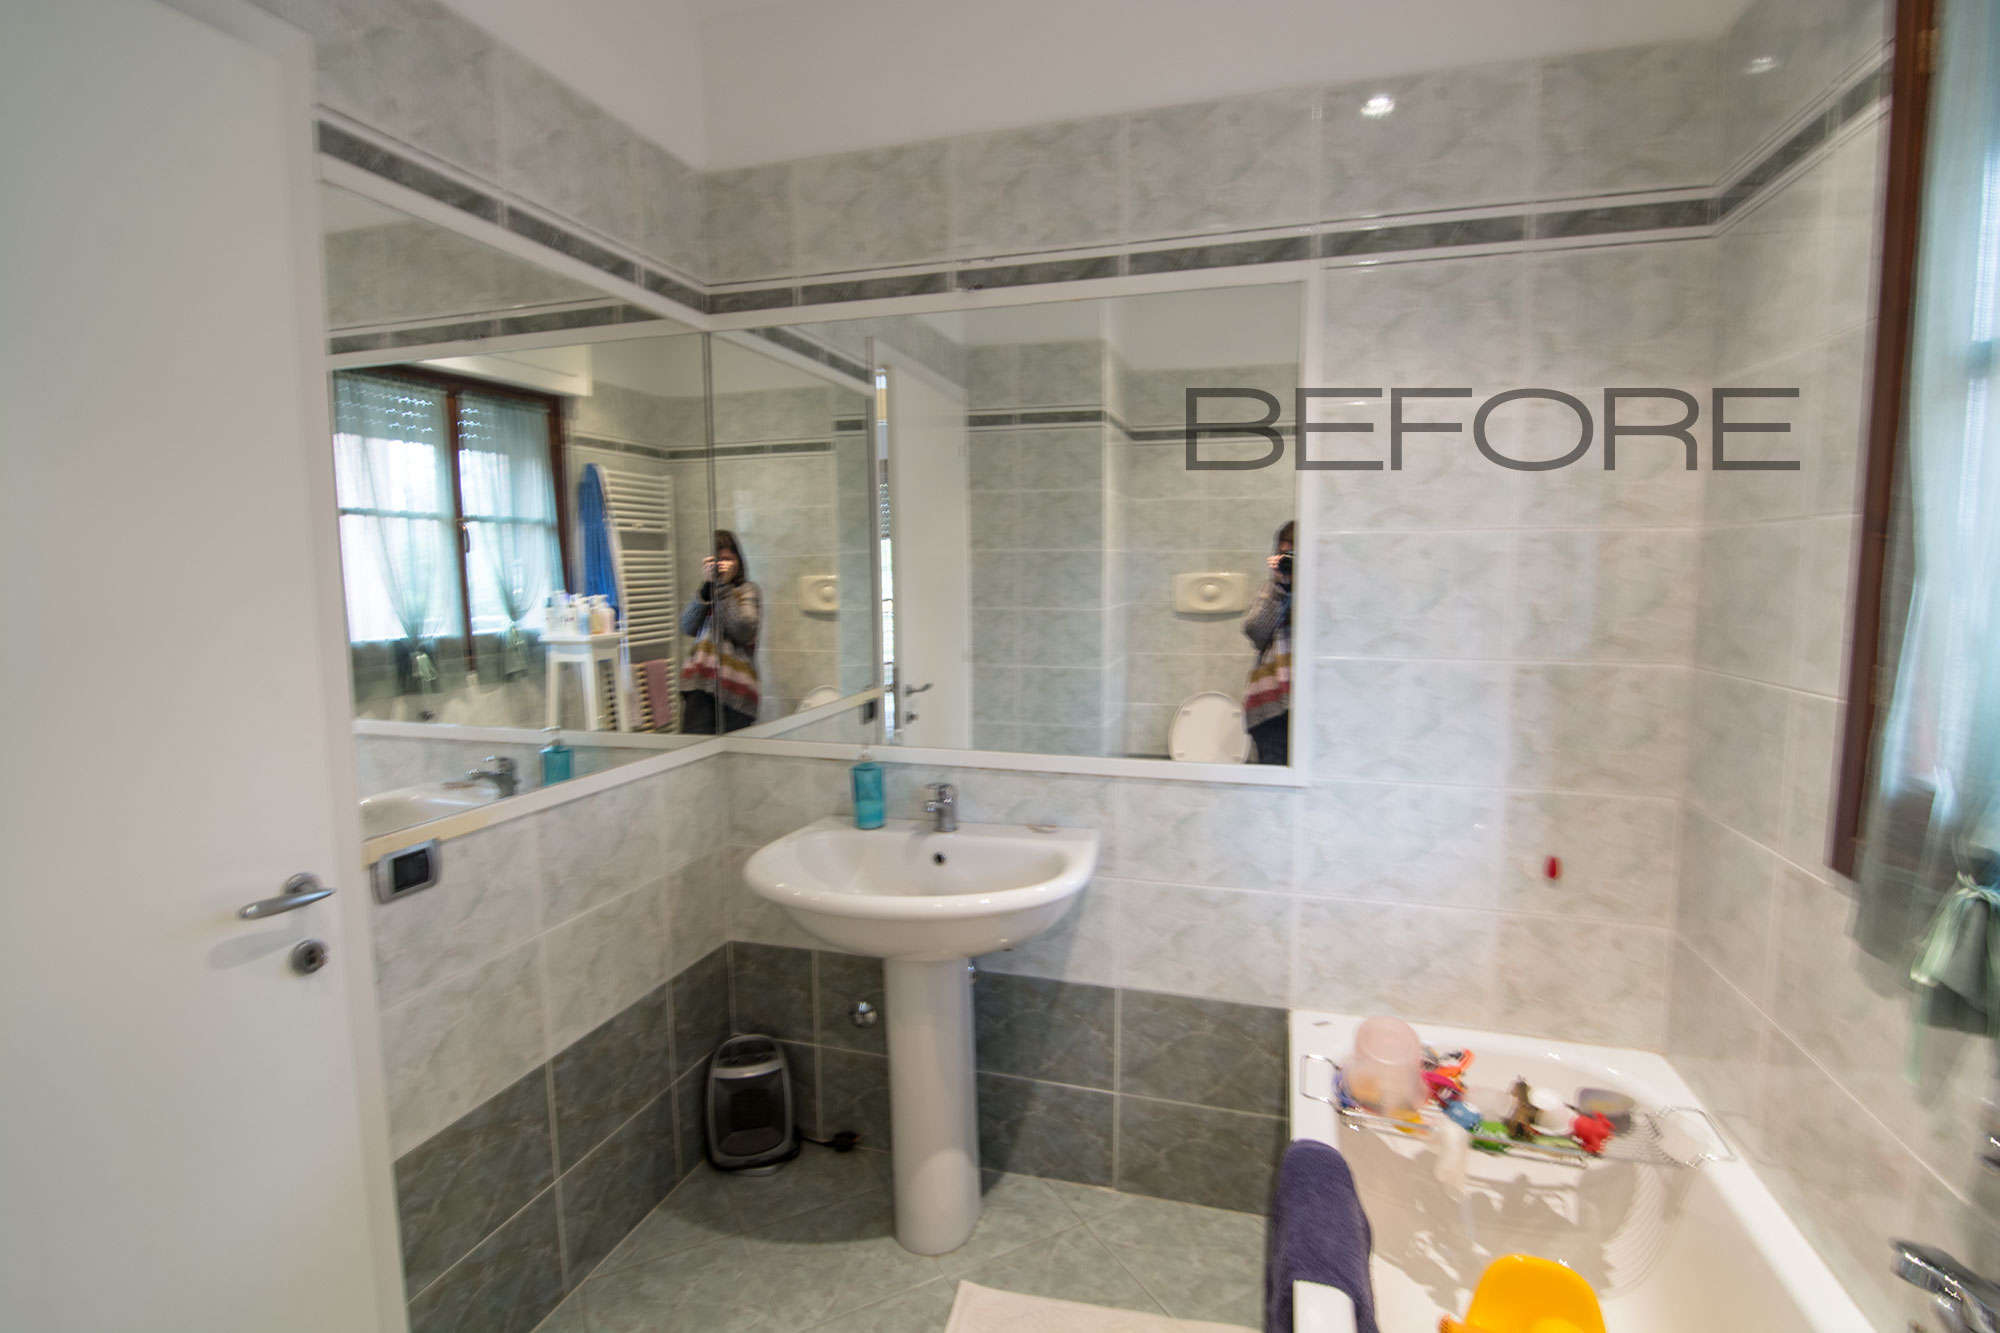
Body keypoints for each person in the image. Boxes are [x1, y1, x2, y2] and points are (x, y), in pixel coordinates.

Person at [678, 530, 762, 733]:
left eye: (728, 559)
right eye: (718, 560)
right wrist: (706, 587)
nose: (722, 565)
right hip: (700, 685)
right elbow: (687, 626)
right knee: (694, 746)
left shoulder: (748, 590)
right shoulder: (707, 592)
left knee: (733, 751)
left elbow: (743, 631)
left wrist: (724, 587)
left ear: (738, 562)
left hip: (736, 689)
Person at [1242, 520, 1293, 765]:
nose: (1289, 561)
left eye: (1294, 554)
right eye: (1284, 554)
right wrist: (1279, 587)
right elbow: (1255, 632)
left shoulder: (1325, 592)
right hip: (1271, 708)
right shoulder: (1273, 590)